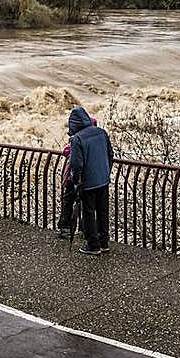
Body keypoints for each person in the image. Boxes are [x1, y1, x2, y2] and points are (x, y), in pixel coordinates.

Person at [65, 106, 114, 256]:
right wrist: (106, 171)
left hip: (88, 182)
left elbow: (76, 163)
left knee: (88, 212)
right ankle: (104, 242)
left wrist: (76, 181)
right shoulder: (101, 132)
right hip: (103, 179)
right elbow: (110, 154)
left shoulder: (77, 139)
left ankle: (92, 245)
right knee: (103, 211)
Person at [55, 113, 96, 238]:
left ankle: (66, 228)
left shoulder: (77, 139)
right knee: (86, 205)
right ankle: (84, 230)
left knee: (69, 202)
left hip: (73, 178)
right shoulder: (87, 141)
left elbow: (67, 153)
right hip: (83, 178)